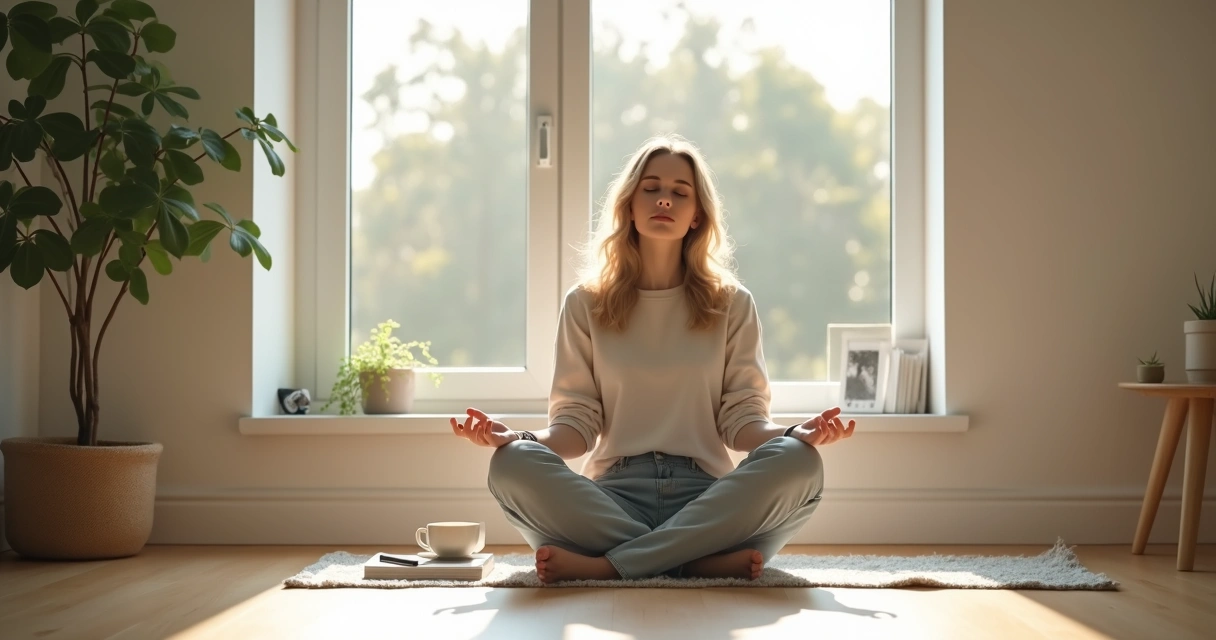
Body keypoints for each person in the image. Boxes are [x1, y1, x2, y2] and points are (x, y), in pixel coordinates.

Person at [449, 133, 855, 584]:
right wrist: (518, 438)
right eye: (652, 188)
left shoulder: (732, 304)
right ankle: (693, 562)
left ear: (697, 214)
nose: (665, 200)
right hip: (612, 501)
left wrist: (797, 433)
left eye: (680, 192)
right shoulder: (585, 303)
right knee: (511, 464)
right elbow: (577, 426)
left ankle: (613, 565)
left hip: (710, 501)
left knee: (800, 461)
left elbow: (741, 424)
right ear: (629, 204)